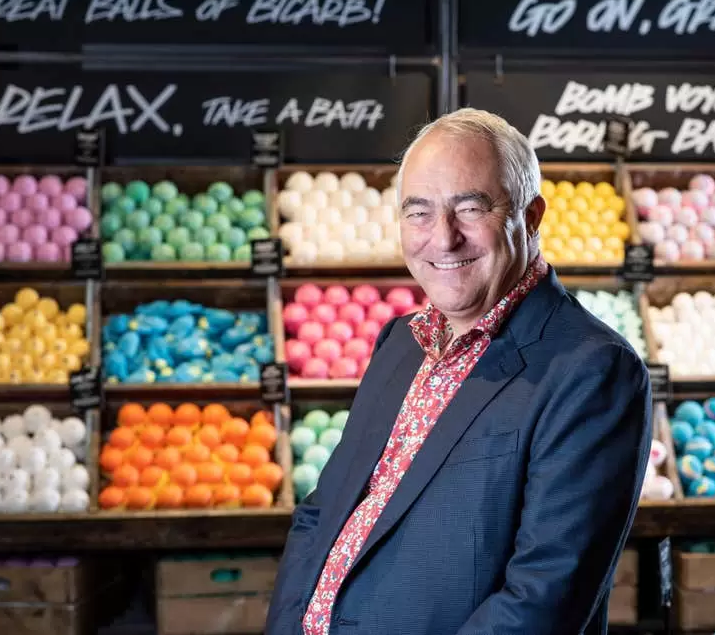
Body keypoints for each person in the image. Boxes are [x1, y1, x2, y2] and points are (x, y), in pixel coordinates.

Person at [266, 108, 652, 635]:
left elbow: (543, 599)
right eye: (418, 212)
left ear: (531, 217)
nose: (442, 239)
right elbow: (322, 513)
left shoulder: (592, 369)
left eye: (470, 209)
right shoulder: (401, 342)